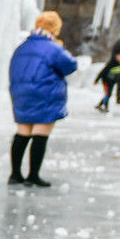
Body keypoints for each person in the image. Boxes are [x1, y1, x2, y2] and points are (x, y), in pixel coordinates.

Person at [8, 10, 75, 187]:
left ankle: (15, 174)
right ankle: (33, 175)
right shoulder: (53, 48)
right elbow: (70, 65)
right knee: (41, 132)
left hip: (21, 93)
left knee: (23, 131)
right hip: (44, 93)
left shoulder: (22, 47)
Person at [94, 40, 120, 113]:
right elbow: (103, 71)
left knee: (108, 94)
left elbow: (119, 74)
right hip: (106, 81)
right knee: (108, 94)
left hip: (112, 82)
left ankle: (101, 104)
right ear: (117, 56)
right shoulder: (112, 63)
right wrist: (97, 79)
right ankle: (105, 106)